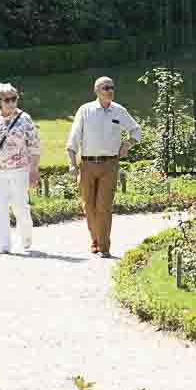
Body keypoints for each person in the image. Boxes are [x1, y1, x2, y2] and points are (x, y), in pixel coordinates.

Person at [66, 75, 142, 257]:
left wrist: (128, 144)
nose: (110, 91)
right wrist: (72, 162)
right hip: (87, 164)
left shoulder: (119, 111)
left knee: (104, 206)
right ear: (96, 91)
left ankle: (104, 246)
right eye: (106, 88)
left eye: (112, 87)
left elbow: (136, 130)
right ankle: (95, 239)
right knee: (89, 206)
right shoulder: (85, 110)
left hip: (110, 164)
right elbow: (74, 137)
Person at [0, 82, 41, 255]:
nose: (12, 103)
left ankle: (26, 237)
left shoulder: (25, 119)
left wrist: (34, 170)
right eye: (7, 100)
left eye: (14, 99)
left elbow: (35, 146)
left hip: (19, 169)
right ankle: (3, 245)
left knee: (21, 206)